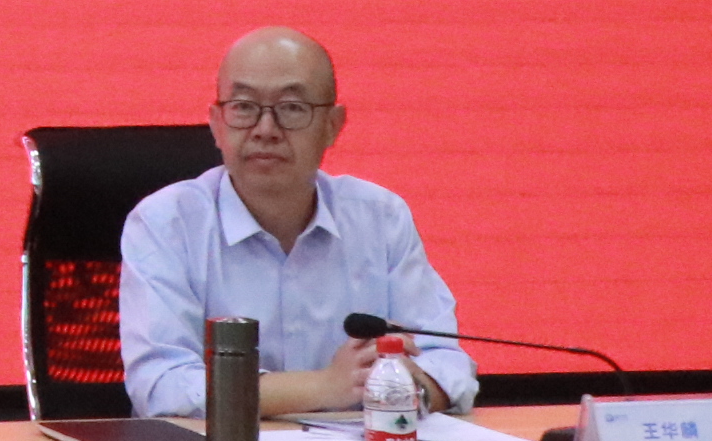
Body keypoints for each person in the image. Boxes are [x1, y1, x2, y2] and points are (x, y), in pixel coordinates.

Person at [118, 25, 479, 420]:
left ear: (333, 126)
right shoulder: (166, 224)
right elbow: (161, 386)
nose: (265, 130)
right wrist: (326, 386)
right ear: (216, 124)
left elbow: (447, 360)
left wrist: (406, 386)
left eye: (292, 108)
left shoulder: (380, 218)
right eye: (243, 107)